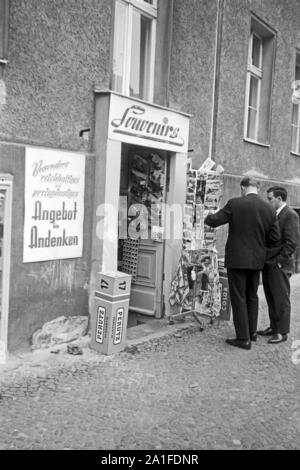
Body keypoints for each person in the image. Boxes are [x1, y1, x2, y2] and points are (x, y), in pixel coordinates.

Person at [204, 176, 280, 350]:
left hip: (237, 259)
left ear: (243, 188)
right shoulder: (269, 209)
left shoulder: (235, 203)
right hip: (257, 260)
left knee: (238, 298)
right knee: (251, 296)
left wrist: (207, 216)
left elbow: (215, 221)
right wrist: (261, 251)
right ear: (257, 189)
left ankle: (243, 338)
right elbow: (275, 238)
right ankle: (251, 333)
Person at [258, 186, 300, 344]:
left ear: (279, 199)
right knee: (271, 297)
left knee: (281, 299)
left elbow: (291, 243)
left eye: (270, 199)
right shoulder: (275, 214)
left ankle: (282, 332)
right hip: (269, 263)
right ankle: (273, 327)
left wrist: (279, 262)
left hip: (279, 265)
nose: (268, 202)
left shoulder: (290, 215)